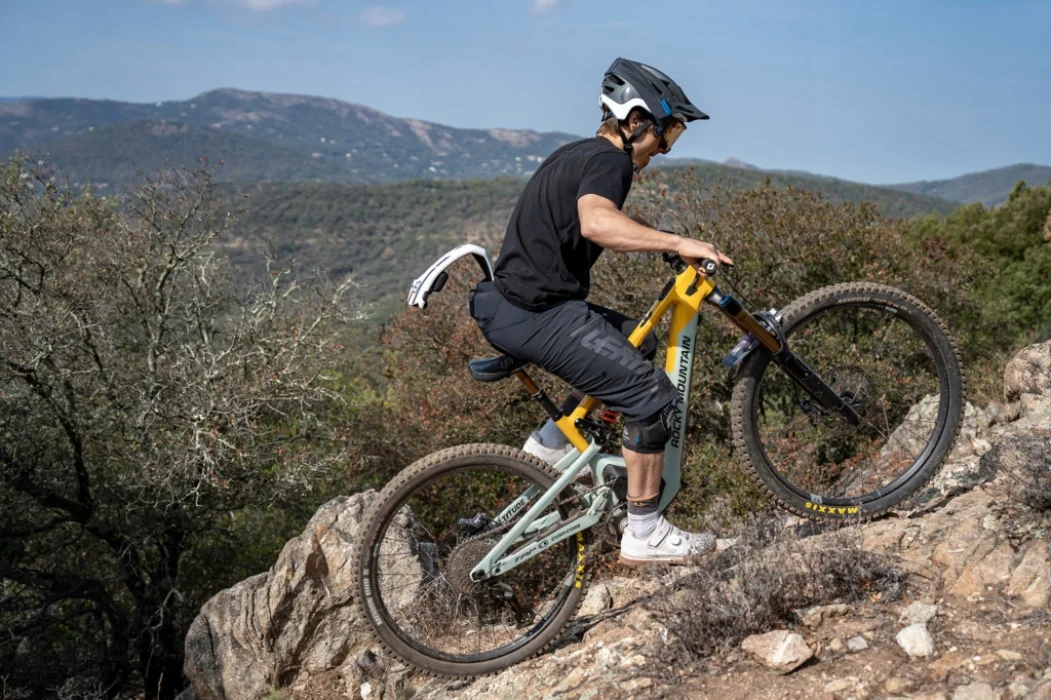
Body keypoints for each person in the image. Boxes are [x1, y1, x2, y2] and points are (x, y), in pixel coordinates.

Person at [469, 57, 733, 565]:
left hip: (515, 305)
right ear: (636, 120)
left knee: (639, 340)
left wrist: (662, 241)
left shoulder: (578, 153)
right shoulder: (612, 162)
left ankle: (551, 446)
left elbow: (593, 218)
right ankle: (645, 532)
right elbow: (596, 222)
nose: (665, 149)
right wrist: (679, 240)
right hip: (539, 313)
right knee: (650, 395)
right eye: (668, 133)